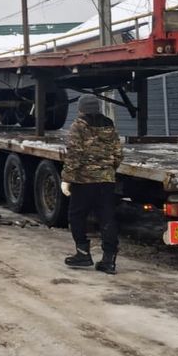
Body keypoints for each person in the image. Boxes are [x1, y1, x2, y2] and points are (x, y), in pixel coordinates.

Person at [61, 94, 123, 274]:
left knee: (76, 216)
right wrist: (108, 170)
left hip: (84, 181)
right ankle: (109, 260)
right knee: (107, 218)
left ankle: (83, 254)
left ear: (81, 109)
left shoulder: (79, 126)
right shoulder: (109, 125)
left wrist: (67, 179)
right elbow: (118, 153)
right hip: (106, 180)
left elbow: (74, 155)